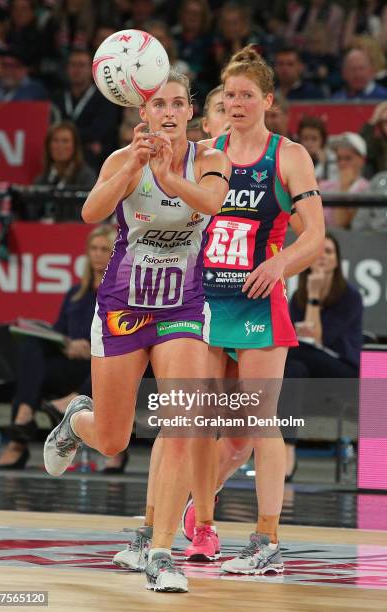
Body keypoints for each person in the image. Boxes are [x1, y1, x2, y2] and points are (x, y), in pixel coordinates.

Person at [117, 46, 324, 574]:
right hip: (203, 297)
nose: (235, 102)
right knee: (188, 421)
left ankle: (266, 541)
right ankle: (174, 529)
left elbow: (315, 239)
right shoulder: (206, 153)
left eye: (246, 95)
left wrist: (281, 267)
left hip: (256, 297)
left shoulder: (289, 155)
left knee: (258, 423)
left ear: (267, 101)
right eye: (228, 94)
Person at [43, 70, 231, 594]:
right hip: (124, 306)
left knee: (181, 420)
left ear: (189, 111)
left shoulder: (210, 159)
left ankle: (163, 551)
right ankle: (78, 421)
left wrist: (168, 174)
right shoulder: (123, 159)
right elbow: (90, 212)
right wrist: (133, 166)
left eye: (177, 103)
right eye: (157, 105)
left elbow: (211, 204)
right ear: (142, 113)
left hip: (184, 307)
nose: (168, 112)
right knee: (113, 437)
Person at [0, 224, 115, 469]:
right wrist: (67, 345)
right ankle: (24, 417)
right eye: (93, 248)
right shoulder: (74, 294)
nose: (98, 254)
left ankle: (72, 402)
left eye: (104, 249)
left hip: (98, 369)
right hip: (71, 364)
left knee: (108, 361)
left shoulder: (119, 292)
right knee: (32, 347)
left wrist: (88, 347)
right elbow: (59, 332)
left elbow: (122, 337)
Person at [279, 232, 363, 479]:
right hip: (308, 372)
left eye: (329, 252)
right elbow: (298, 336)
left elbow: (315, 340)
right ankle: (288, 452)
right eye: (320, 251)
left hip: (343, 373)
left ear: (337, 261)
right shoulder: (298, 296)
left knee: (292, 351)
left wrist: (314, 298)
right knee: (293, 369)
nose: (324, 257)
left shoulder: (350, 297)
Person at [30, 121, 96, 221]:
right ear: (49, 146)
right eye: (55, 141)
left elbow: (88, 214)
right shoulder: (40, 180)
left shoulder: (86, 177)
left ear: (74, 146)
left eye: (65, 141)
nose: (60, 146)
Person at [320, 132, 370, 228]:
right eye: (339, 158)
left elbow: (340, 224)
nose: (342, 163)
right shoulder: (326, 185)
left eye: (348, 158)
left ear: (362, 160)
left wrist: (344, 187)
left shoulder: (367, 188)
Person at [297, 115, 337, 181]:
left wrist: (322, 163)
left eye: (314, 139)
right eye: (305, 138)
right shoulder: (293, 159)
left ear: (322, 141)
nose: (309, 143)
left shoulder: (331, 158)